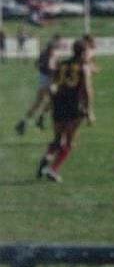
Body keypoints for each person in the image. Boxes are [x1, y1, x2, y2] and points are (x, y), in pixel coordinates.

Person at [37, 36, 96, 183]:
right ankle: (53, 169)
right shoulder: (83, 67)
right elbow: (87, 90)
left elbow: (53, 87)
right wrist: (89, 111)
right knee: (69, 143)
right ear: (83, 53)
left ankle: (47, 157)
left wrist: (45, 110)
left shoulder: (61, 64)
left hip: (58, 104)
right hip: (74, 105)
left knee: (57, 139)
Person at [15, 34, 61, 135]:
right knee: (46, 101)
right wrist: (53, 70)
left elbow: (38, 64)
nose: (53, 51)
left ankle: (29, 121)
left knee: (47, 102)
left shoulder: (51, 55)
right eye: (52, 49)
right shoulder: (46, 56)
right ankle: (30, 121)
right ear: (50, 49)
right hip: (47, 80)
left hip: (48, 80)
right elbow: (45, 67)